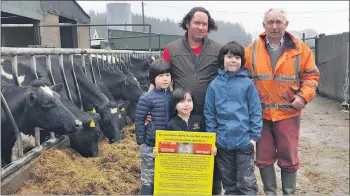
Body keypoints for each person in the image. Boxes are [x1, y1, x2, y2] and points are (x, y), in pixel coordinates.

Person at [244, 8, 320, 195]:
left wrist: (303, 96)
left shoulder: (301, 49)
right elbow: (243, 78)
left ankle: (289, 193)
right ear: (264, 25)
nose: (275, 26)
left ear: (286, 24)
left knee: (289, 157)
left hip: (288, 114)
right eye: (270, 22)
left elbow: (311, 76)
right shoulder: (252, 49)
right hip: (260, 115)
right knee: (263, 157)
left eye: (279, 22)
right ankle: (270, 192)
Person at [148, 7, 223, 195]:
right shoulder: (172, 49)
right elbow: (158, 77)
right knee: (180, 153)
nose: (200, 27)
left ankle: (211, 190)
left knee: (209, 154)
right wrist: (147, 104)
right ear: (188, 23)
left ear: (209, 26)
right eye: (197, 23)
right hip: (181, 110)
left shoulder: (218, 50)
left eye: (204, 24)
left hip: (209, 112)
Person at [204, 41, 262, 195]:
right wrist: (213, 137)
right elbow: (209, 113)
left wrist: (253, 138)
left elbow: (255, 111)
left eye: (237, 57)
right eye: (229, 56)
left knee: (246, 182)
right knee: (229, 184)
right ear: (222, 58)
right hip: (223, 143)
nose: (233, 60)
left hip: (244, 142)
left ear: (242, 61)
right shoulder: (214, 85)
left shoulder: (247, 84)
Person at [135, 59, 174, 195]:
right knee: (148, 178)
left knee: (166, 177)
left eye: (167, 75)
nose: (165, 79)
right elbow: (139, 120)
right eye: (160, 76)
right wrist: (141, 141)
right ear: (153, 78)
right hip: (151, 144)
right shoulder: (146, 98)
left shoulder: (174, 97)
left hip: (169, 145)